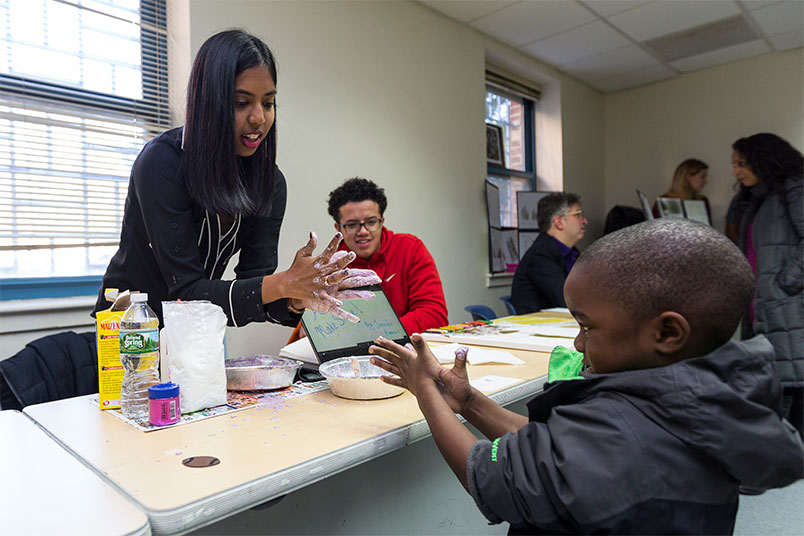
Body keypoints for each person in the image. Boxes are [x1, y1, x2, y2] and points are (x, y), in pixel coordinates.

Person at [370, 218, 804, 535]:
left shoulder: (625, 431)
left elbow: (490, 478)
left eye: (588, 326)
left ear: (667, 333)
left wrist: (424, 388)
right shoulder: (695, 397)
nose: (578, 344)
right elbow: (560, 450)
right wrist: (468, 401)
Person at [93, 30, 378, 327]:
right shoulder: (161, 163)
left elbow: (255, 289)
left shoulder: (270, 184)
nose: (259, 118)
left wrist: (297, 296)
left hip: (198, 326)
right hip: (129, 330)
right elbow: (186, 292)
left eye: (268, 103)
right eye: (241, 103)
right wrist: (283, 283)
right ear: (207, 102)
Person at [731, 132, 803, 438]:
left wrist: (785, 283)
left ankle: (779, 461)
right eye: (734, 164)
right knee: (771, 383)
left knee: (789, 385)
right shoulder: (756, 199)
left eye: (742, 163)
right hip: (761, 305)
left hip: (786, 303)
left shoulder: (793, 187)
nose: (736, 171)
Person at [327, 177, 448, 334]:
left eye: (371, 222)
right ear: (339, 228)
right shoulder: (330, 266)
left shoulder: (410, 249)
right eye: (352, 225)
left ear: (381, 221)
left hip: (407, 349)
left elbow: (434, 314)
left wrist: (377, 334)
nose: (363, 231)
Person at [510, 192, 586, 314]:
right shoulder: (540, 256)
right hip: (539, 327)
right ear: (559, 222)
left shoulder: (573, 253)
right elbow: (566, 300)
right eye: (578, 215)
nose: (584, 221)